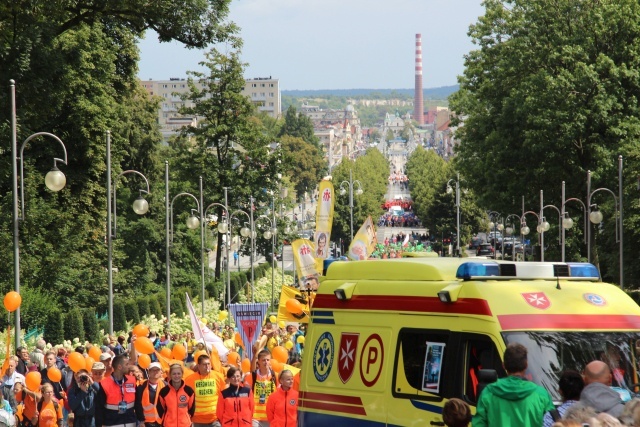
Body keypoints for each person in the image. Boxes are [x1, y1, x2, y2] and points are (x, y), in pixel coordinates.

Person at [473, 343, 554, 426]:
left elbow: (478, 424)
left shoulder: (488, 393)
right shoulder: (541, 395)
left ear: (503, 365)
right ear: (526, 365)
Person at [95, 354, 137, 427]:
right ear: (119, 367)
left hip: (130, 422)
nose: (129, 366)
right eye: (126, 364)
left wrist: (141, 419)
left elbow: (138, 403)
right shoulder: (104, 384)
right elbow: (99, 408)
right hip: (112, 423)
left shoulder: (132, 380)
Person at [184, 354, 225, 427]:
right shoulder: (189, 380)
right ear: (198, 366)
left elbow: (224, 397)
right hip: (197, 420)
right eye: (204, 364)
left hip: (215, 419)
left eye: (209, 364)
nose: (207, 366)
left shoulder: (219, 377)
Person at [246, 350, 278, 427]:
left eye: (268, 360)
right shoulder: (252, 377)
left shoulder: (276, 376)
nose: (266, 362)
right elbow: (246, 396)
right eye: (263, 360)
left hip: (270, 417)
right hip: (255, 417)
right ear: (259, 362)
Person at [135, 362, 166, 427]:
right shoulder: (141, 387)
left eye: (157, 370)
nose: (155, 372)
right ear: (148, 372)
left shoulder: (166, 386)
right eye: (153, 370)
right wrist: (141, 420)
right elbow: (138, 405)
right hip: (147, 422)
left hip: (163, 421)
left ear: (161, 372)